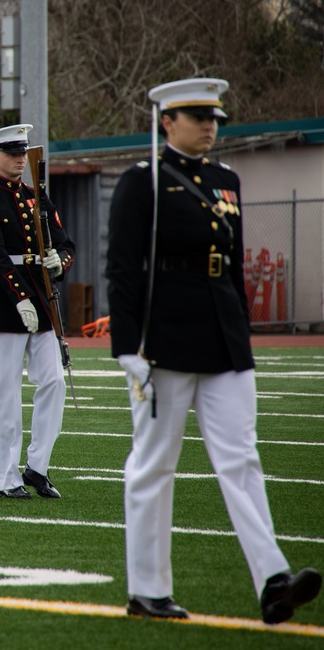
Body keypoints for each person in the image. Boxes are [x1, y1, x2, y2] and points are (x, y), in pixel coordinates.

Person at [107, 77, 321, 623]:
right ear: (166, 121)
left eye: (215, 118)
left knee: (242, 458)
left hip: (223, 335)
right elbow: (124, 271)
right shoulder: (144, 182)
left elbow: (233, 261)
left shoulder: (226, 179)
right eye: (198, 116)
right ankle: (148, 589)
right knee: (154, 465)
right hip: (165, 339)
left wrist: (242, 332)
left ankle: (273, 580)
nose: (210, 126)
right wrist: (128, 348)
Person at [0, 125, 74, 500]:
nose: (17, 159)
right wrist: (19, 298)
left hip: (43, 300)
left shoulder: (37, 197)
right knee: (7, 391)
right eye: (10, 153)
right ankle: (6, 477)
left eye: (21, 153)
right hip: (7, 302)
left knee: (54, 382)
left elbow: (65, 244)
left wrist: (60, 262)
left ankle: (37, 466)